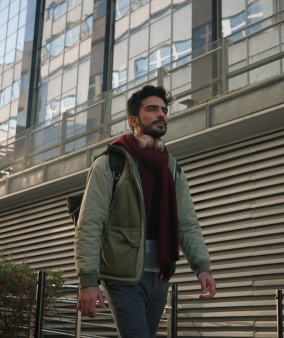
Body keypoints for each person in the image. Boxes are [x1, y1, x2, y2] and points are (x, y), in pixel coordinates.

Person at [74, 85, 217, 337]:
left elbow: (186, 222)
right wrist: (88, 280)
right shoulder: (111, 162)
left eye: (164, 110)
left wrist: (202, 266)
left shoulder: (171, 166)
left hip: (160, 274)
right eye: (152, 109)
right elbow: (90, 223)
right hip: (123, 276)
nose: (161, 114)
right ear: (134, 120)